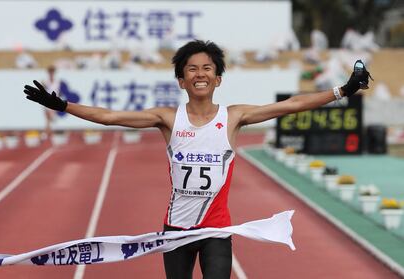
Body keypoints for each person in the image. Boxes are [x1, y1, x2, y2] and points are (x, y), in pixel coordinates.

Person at [23, 40, 371, 279]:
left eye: (207, 68)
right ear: (181, 80)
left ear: (218, 78)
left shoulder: (234, 117)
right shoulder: (168, 118)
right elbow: (111, 117)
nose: (200, 73)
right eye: (191, 69)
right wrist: (62, 106)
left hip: (217, 230)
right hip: (175, 232)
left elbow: (292, 104)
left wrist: (342, 90)